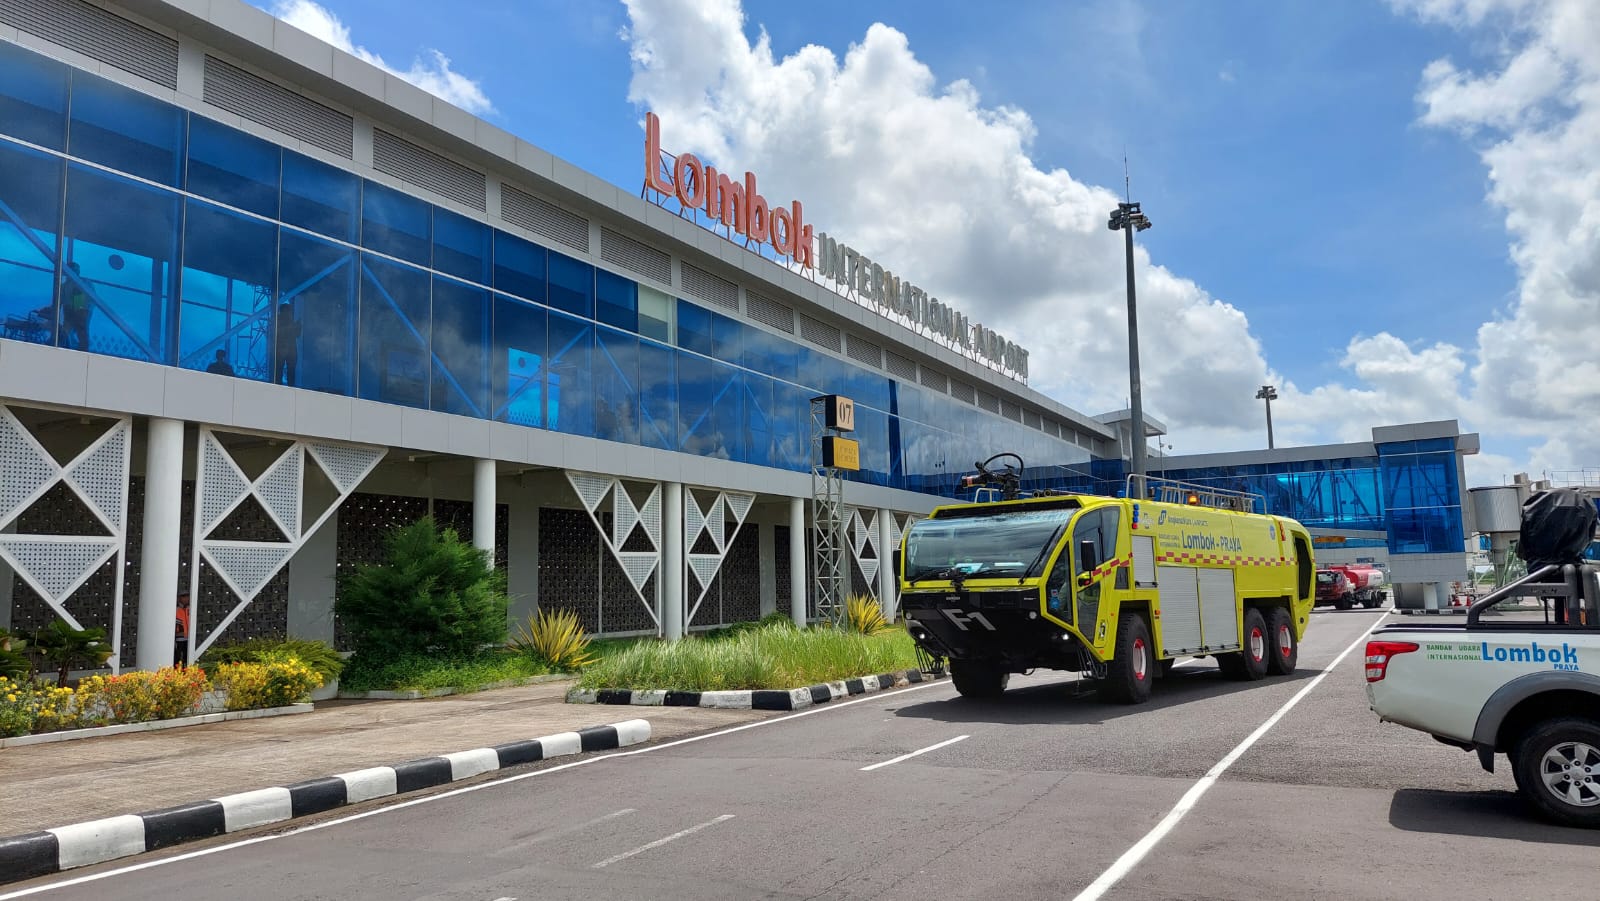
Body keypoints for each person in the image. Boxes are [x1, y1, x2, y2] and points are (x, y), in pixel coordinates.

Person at [61, 262, 91, 351]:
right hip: (70, 309)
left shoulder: (83, 282)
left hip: (81, 310)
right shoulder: (64, 285)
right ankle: (67, 345)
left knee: (80, 330)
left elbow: (87, 298)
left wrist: (78, 308)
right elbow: (60, 300)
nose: (76, 272)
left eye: (76, 270)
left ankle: (82, 350)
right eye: (73, 270)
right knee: (66, 331)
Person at [275, 300, 301, 386]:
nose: (289, 313)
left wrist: (298, 326)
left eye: (289, 312)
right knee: (279, 371)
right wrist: (293, 327)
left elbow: (297, 334)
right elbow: (278, 332)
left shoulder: (290, 321)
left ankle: (290, 387)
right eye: (287, 311)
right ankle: (278, 387)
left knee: (291, 371)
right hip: (281, 350)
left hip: (291, 351)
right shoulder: (278, 321)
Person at [174, 592, 190, 667]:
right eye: (184, 596)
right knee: (178, 658)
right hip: (179, 638)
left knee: (187, 657)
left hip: (188, 639)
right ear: (179, 598)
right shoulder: (175, 609)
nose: (186, 598)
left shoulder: (189, 608)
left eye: (187, 596)